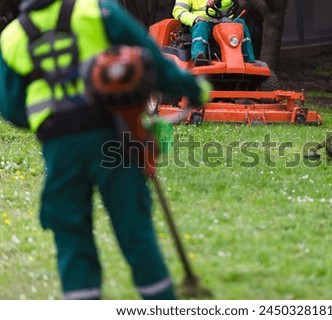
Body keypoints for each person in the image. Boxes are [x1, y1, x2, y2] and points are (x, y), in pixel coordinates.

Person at [0, 0, 210, 299]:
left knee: (71, 231)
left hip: (59, 147)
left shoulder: (11, 37)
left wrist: (47, 122)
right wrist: (195, 88)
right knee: (133, 227)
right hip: (112, 136)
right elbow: (151, 58)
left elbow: (10, 107)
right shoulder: (97, 10)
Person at [172, 0, 256, 66]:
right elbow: (178, 11)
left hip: (224, 21)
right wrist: (195, 18)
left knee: (241, 23)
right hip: (201, 21)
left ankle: (249, 59)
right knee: (201, 26)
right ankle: (199, 56)